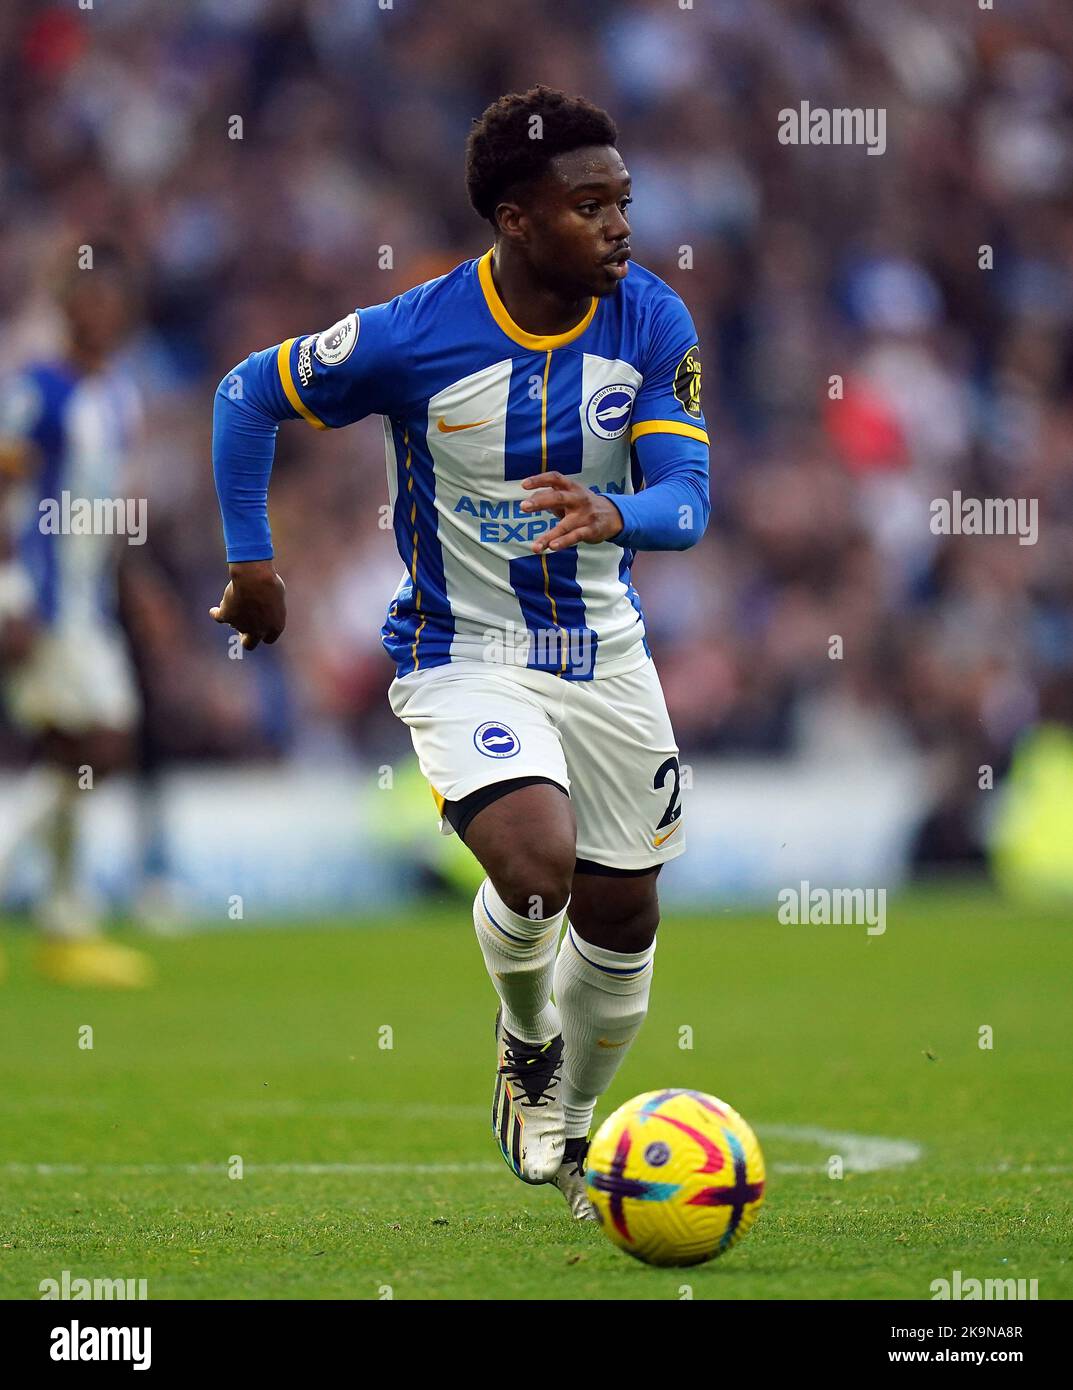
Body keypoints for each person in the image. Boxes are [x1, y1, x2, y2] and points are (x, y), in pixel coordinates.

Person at [210, 87, 709, 1219]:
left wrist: (614, 512)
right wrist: (253, 566)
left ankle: (575, 1130)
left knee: (623, 912)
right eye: (589, 207)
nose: (620, 227)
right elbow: (247, 392)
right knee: (535, 866)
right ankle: (524, 1043)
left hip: (603, 649)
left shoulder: (651, 321)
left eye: (623, 202)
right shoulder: (415, 333)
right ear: (515, 219)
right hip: (460, 647)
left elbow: (687, 499)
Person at [0, 248, 154, 987]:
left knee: (78, 749)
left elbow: (108, 512)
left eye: (113, 305)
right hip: (42, 597)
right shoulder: (36, 391)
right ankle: (60, 908)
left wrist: (138, 595)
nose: (103, 316)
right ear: (65, 310)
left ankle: (64, 920)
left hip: (90, 603)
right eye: (89, 302)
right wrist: (10, 594)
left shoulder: (119, 397)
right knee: (99, 743)